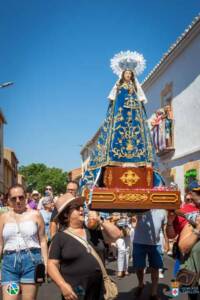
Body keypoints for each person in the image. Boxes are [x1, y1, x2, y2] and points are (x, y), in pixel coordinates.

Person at [82, 50, 164, 189]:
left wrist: (134, 101)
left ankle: (139, 161)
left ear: (132, 76)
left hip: (134, 118)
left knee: (137, 136)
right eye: (126, 74)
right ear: (122, 75)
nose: (128, 76)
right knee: (118, 135)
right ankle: (117, 159)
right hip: (121, 117)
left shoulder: (136, 88)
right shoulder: (118, 87)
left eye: (130, 74)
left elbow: (140, 103)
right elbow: (114, 104)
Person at [48, 193, 121, 300]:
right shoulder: (60, 237)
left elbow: (116, 235)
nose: (82, 209)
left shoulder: (93, 231)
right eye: (77, 208)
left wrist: (100, 220)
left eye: (82, 206)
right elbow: (51, 265)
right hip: (75, 293)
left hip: (99, 291)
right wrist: (62, 285)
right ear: (66, 214)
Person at [0, 184, 48, 300]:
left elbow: (42, 240)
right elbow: (0, 243)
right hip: (10, 265)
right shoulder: (3, 217)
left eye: (21, 197)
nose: (18, 201)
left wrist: (45, 263)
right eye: (14, 198)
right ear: (9, 200)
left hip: (31, 262)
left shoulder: (35, 215)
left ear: (26, 197)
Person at [166, 181, 200, 300]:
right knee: (181, 279)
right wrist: (170, 222)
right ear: (189, 194)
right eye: (197, 192)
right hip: (186, 256)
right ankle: (174, 295)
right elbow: (171, 235)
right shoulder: (180, 210)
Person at [132, 209, 167, 300]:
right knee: (139, 267)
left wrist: (166, 241)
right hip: (139, 242)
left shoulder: (163, 210)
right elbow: (130, 213)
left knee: (155, 268)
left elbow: (164, 228)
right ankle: (140, 284)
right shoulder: (141, 205)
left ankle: (153, 293)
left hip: (156, 244)